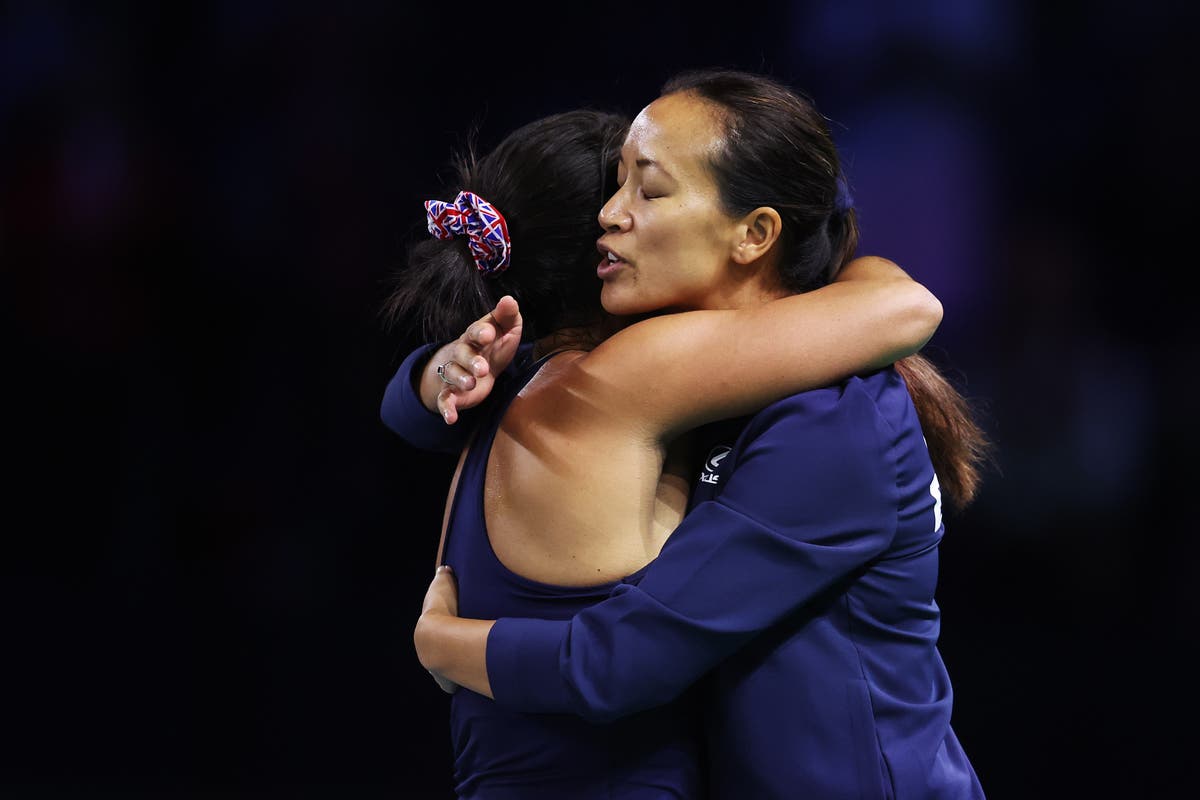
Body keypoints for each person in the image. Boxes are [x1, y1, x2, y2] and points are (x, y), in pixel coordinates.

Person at [408, 69, 992, 799]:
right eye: (613, 184)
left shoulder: (835, 420)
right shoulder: (682, 384)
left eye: (649, 190)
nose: (610, 215)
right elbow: (436, 403)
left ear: (754, 235)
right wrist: (432, 373)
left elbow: (618, 661)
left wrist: (443, 645)